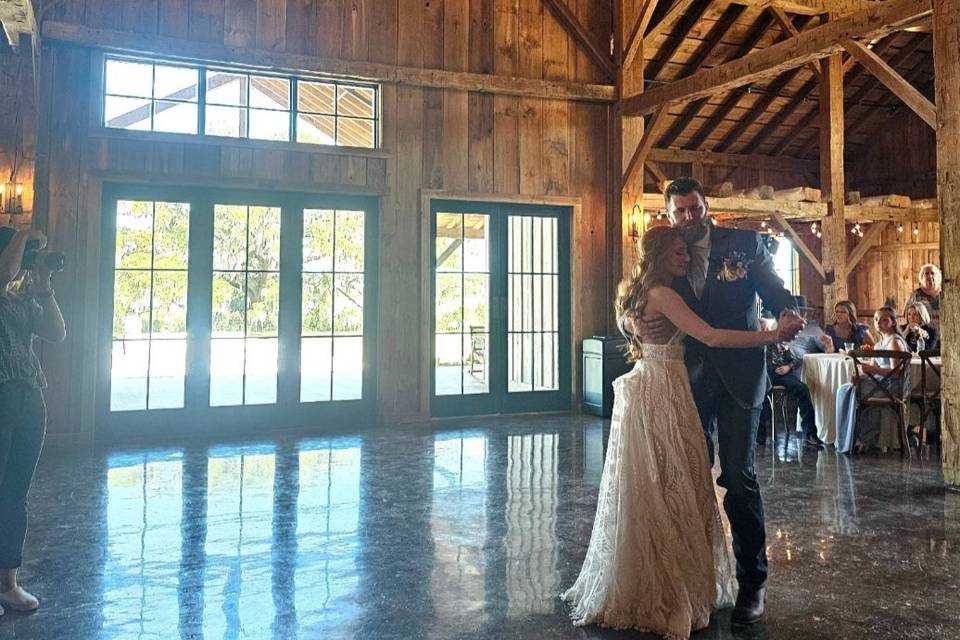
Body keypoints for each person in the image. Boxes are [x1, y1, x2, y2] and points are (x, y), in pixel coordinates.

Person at [561, 225, 803, 639]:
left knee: (666, 483)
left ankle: (726, 580)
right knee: (669, 481)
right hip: (673, 388)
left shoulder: (652, 285)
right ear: (658, 253)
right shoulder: (664, 291)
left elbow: (642, 311)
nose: (685, 257)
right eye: (676, 251)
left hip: (675, 385)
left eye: (685, 250)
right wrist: (771, 336)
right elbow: (708, 335)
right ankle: (668, 581)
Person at [633, 177, 801, 626]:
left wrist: (787, 311)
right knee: (688, 476)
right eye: (680, 212)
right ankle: (694, 579)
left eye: (694, 209)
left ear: (707, 207)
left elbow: (774, 289)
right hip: (685, 379)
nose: (688, 218)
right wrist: (629, 323)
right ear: (669, 215)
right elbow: (637, 288)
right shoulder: (670, 248)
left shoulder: (742, 243)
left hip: (742, 377)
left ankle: (752, 584)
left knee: (738, 475)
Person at [0, 226, 65, 615]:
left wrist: (43, 282)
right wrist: (23, 234)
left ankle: (6, 583)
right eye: (20, 253)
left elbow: (57, 333)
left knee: (14, 495)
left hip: (28, 397)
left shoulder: (22, 297)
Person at [834, 306, 909, 454]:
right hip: (880, 382)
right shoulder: (880, 342)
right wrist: (860, 375)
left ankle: (856, 439)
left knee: (848, 390)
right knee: (845, 388)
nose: (878, 323)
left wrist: (870, 370)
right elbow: (872, 367)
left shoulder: (894, 342)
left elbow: (896, 372)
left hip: (891, 386)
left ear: (893, 322)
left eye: (884, 320)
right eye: (876, 319)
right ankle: (849, 438)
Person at [761, 305, 824, 450]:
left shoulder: (780, 341)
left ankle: (810, 434)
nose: (764, 330)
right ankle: (760, 436)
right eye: (761, 329)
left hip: (782, 372)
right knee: (760, 392)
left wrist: (788, 367)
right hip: (764, 373)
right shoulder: (756, 344)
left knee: (802, 389)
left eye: (765, 328)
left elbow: (794, 359)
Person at [906, 264, 941, 330]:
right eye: (926, 273)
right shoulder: (915, 295)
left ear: (938, 276)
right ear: (921, 277)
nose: (930, 276)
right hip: (924, 335)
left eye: (933, 273)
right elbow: (907, 315)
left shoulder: (945, 294)